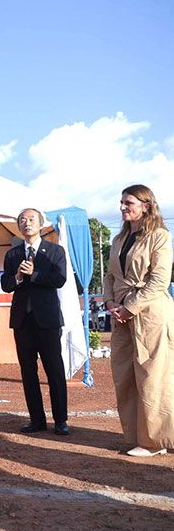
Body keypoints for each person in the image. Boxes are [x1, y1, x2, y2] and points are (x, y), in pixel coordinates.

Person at [103, 184, 174, 457]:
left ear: (145, 206)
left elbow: (159, 281)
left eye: (128, 202)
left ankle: (155, 441)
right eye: (121, 202)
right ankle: (137, 436)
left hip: (151, 314)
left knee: (152, 376)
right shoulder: (118, 239)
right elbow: (110, 276)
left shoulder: (160, 236)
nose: (122, 207)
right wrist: (110, 302)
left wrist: (129, 308)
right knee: (125, 376)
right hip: (121, 315)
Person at [1, 208, 70, 435]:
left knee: (54, 370)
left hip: (48, 320)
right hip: (22, 321)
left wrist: (35, 274)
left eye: (31, 219)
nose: (27, 223)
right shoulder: (12, 255)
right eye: (22, 220)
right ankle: (37, 420)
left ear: (41, 224)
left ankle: (61, 420)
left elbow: (60, 279)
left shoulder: (55, 251)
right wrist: (18, 277)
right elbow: (6, 285)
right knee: (28, 372)